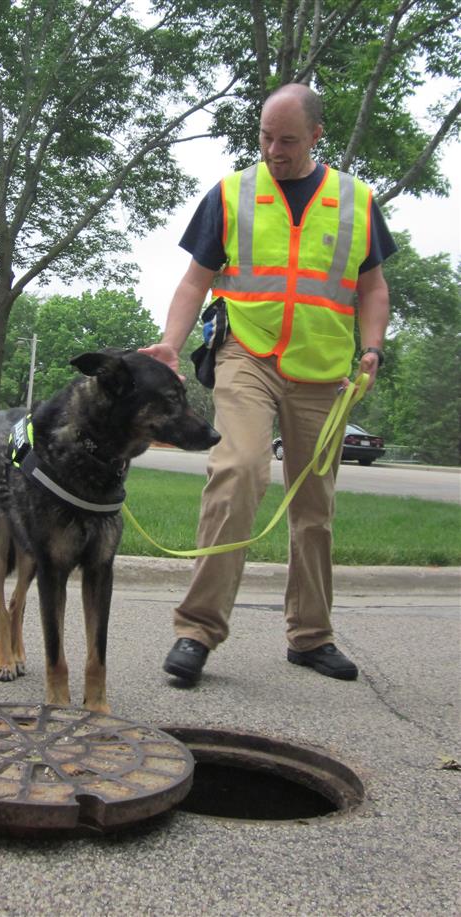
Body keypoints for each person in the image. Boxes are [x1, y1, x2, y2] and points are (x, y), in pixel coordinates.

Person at [140, 83, 396, 683]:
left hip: (324, 370)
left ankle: (311, 636)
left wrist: (373, 348)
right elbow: (193, 281)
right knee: (239, 471)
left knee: (314, 505)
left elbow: (374, 288)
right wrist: (171, 343)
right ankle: (197, 632)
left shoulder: (357, 201)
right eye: (264, 137)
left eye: (286, 139)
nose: (273, 150)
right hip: (246, 355)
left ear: (315, 136)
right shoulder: (232, 194)